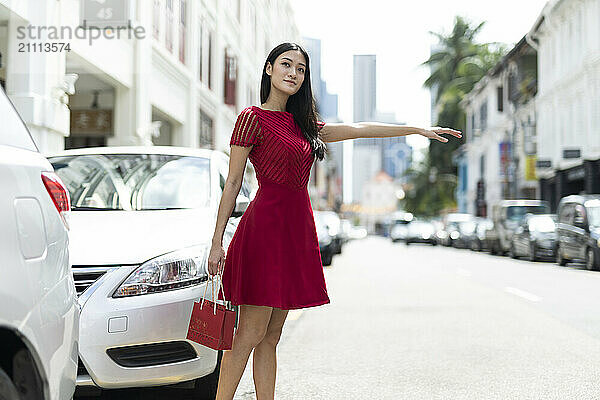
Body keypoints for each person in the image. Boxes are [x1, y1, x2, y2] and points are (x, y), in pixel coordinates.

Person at [208, 42, 461, 400]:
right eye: (286, 64)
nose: (293, 73)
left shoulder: (305, 126)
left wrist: (416, 130)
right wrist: (217, 242)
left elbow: (358, 128)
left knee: (271, 337)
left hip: (295, 231)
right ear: (268, 69)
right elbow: (234, 181)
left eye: (300, 69)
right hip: (264, 230)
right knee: (248, 333)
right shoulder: (252, 117)